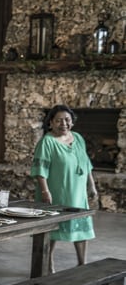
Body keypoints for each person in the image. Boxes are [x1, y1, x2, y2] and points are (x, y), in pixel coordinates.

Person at [30, 105, 97, 274]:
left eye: (67, 120)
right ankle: (48, 263)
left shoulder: (78, 138)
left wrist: (92, 186)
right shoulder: (47, 142)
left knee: (82, 227)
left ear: (72, 122)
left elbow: (86, 164)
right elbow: (40, 169)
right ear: (51, 123)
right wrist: (45, 191)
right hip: (56, 191)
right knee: (52, 228)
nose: (64, 123)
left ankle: (82, 263)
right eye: (59, 120)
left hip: (78, 192)